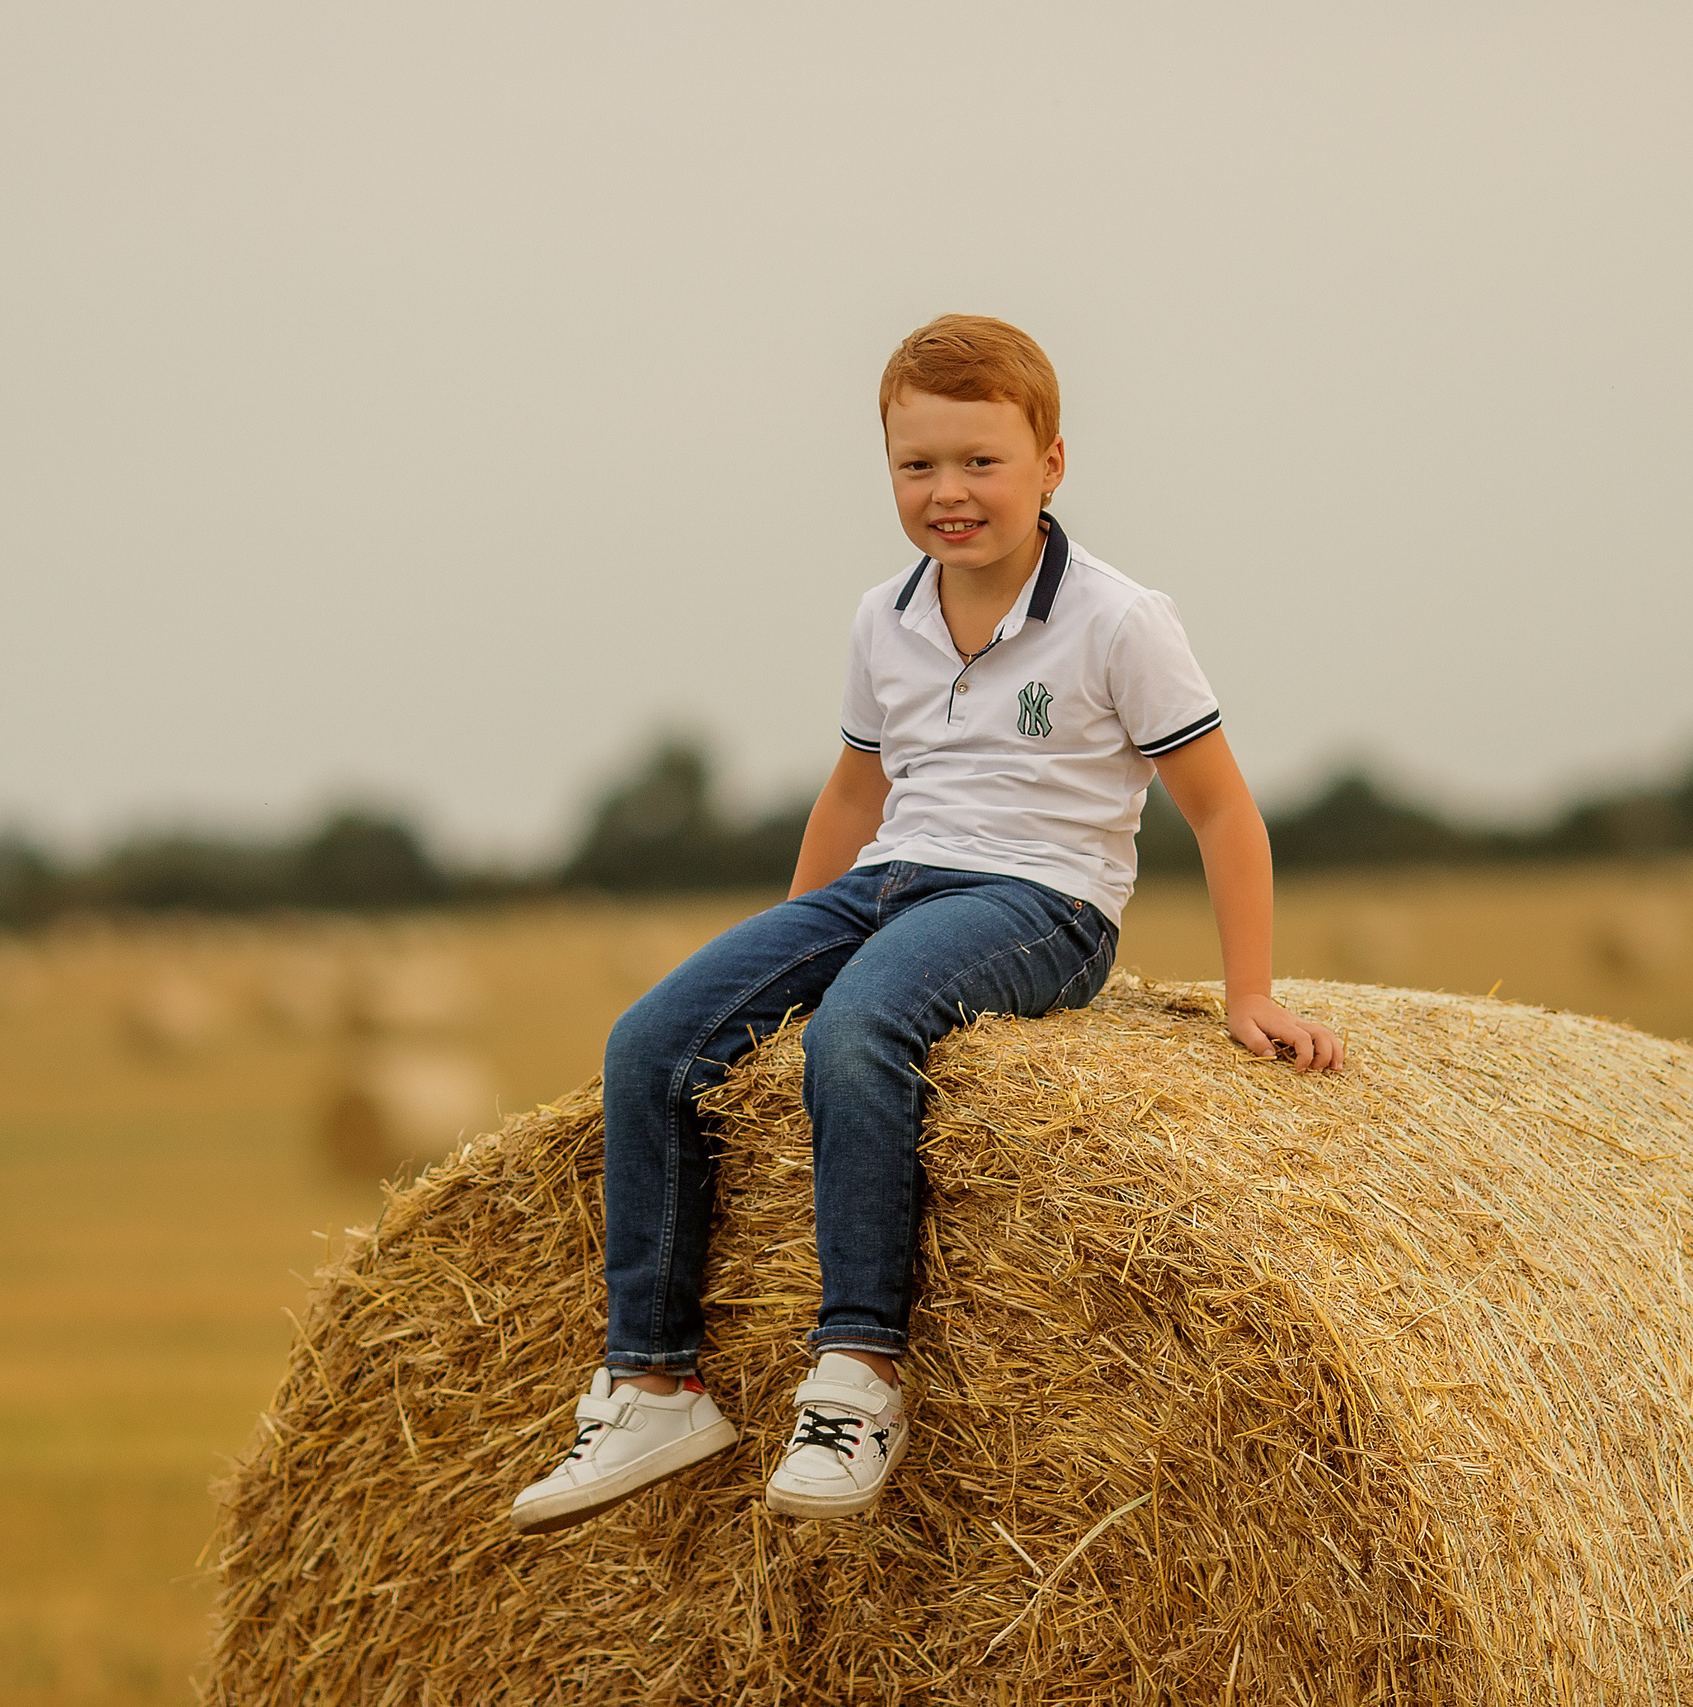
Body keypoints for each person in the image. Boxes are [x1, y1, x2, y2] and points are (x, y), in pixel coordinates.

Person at [510, 314, 1343, 1536]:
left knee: (858, 1032)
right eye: (918, 467)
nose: (948, 493)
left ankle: (860, 1373)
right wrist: (778, 955)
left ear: (1051, 463)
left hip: (1040, 903)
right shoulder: (882, 615)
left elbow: (1220, 809)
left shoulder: (1118, 620)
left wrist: (1250, 991)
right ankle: (652, 1380)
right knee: (651, 1040)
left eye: (979, 462)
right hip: (889, 879)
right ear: (888, 470)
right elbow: (854, 793)